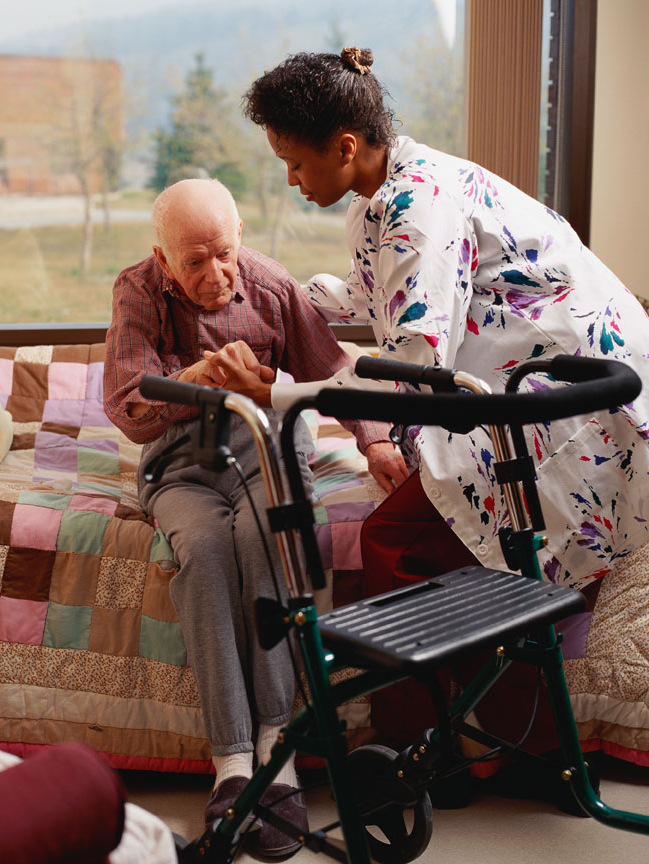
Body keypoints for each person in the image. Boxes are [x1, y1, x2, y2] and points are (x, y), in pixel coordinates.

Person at [202, 47, 649, 771]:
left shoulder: (418, 205)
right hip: (531, 391)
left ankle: (415, 748)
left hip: (578, 405)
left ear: (344, 147)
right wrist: (277, 294)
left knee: (401, 541)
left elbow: (416, 363)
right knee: (478, 546)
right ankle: (486, 741)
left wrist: (278, 393)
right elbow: (376, 295)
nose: (288, 179)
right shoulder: (383, 196)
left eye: (293, 162)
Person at [102, 177, 405, 855]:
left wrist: (377, 440)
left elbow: (332, 371)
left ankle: (278, 751)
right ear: (162, 256)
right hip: (180, 463)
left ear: (240, 237)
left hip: (263, 446)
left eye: (224, 253)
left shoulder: (271, 285)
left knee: (264, 539)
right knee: (206, 551)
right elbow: (126, 408)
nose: (215, 274)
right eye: (194, 262)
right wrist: (200, 381)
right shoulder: (137, 291)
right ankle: (233, 764)